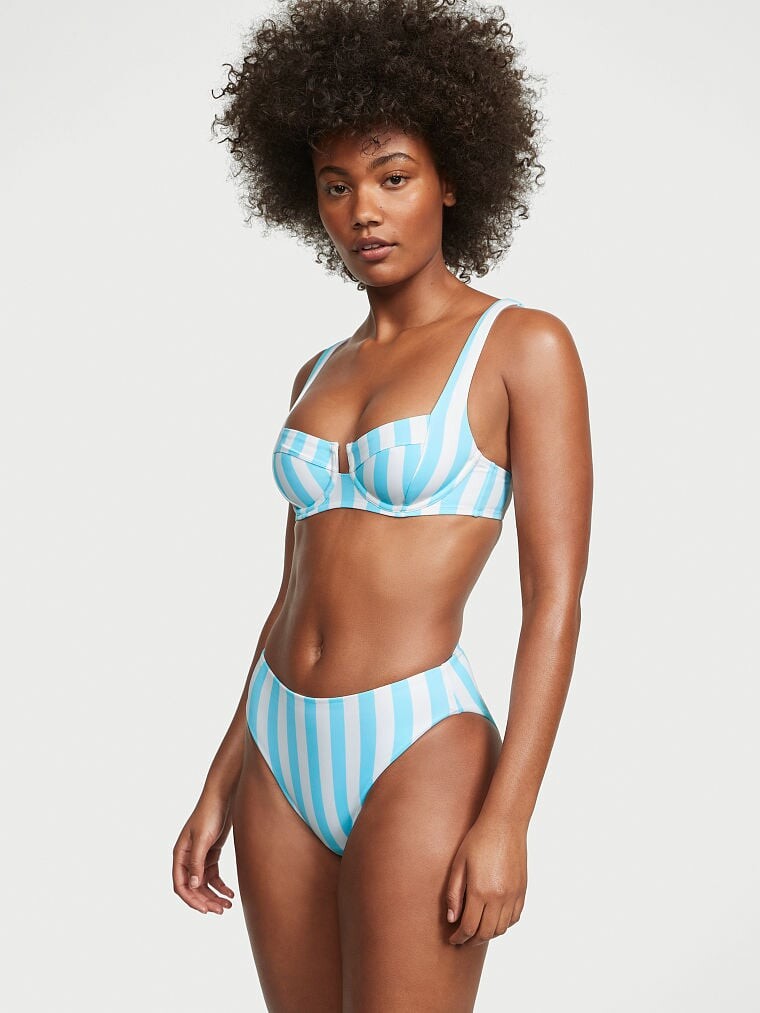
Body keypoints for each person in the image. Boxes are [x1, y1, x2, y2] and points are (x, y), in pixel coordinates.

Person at [172, 0, 593, 1008]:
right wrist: (221, 775)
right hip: (277, 742)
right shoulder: (315, 373)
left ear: (452, 179)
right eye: (337, 185)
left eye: (392, 177)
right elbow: (292, 591)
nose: (363, 210)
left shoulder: (522, 345)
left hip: (419, 742)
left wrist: (508, 818)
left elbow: (555, 599)